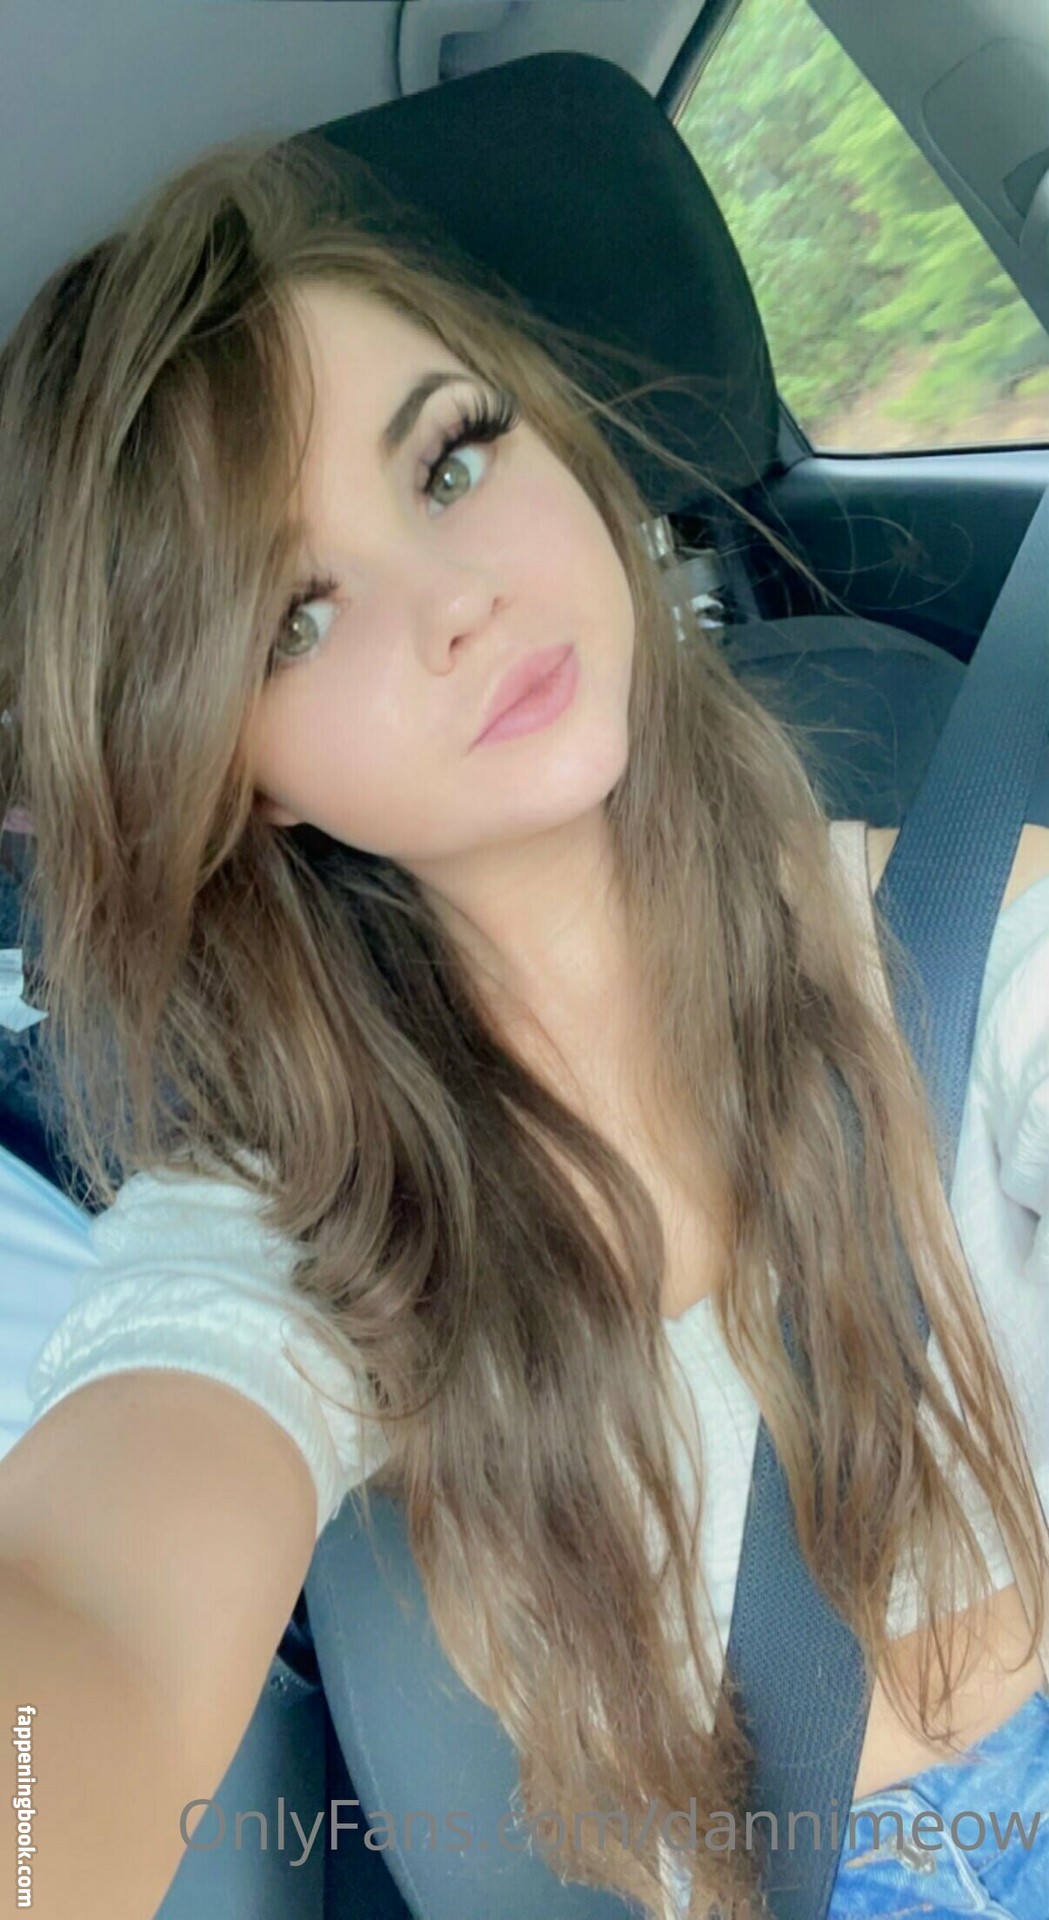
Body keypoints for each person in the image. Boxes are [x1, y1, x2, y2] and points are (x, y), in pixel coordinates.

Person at [0, 129, 1047, 1920]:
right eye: (294, 615)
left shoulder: (979, 924)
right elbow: (92, 1610)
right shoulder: (296, 1222)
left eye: (452, 459)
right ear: (236, 777)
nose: (456, 600)